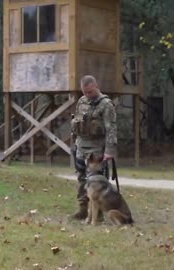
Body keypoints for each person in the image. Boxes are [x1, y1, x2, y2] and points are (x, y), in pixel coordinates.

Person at [70, 75, 117, 220]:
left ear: (96, 86)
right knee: (82, 179)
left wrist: (109, 150)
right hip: (81, 146)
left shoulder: (106, 104)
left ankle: (99, 213)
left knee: (98, 182)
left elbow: (111, 129)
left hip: (97, 148)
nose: (87, 95)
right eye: (84, 92)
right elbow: (77, 122)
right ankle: (83, 209)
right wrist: (74, 142)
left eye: (89, 92)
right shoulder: (81, 101)